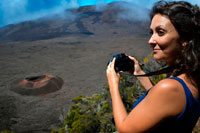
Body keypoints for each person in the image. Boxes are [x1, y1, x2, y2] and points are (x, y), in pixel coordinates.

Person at [106, 1, 200, 132]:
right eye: (152, 32)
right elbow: (162, 103)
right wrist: (138, 72)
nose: (150, 41)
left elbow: (125, 129)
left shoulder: (170, 87)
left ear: (184, 39)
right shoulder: (189, 78)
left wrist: (113, 85)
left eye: (160, 32)